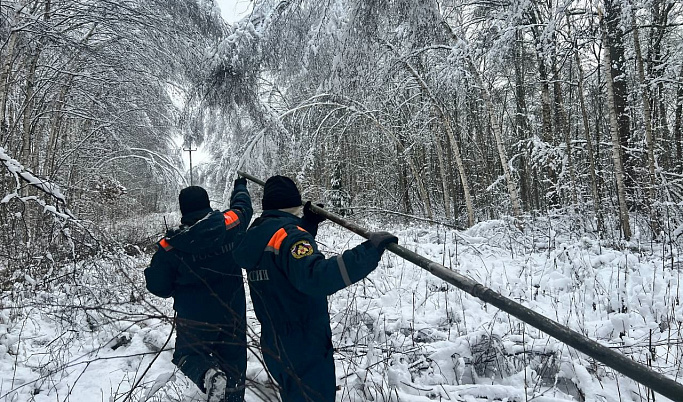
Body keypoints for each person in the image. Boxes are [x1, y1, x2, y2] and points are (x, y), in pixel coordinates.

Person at [233, 175, 397, 402]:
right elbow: (316, 278)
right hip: (304, 344)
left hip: (274, 339)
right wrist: (369, 251)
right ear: (295, 203)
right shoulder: (291, 236)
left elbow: (286, 263)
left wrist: (307, 225)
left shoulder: (258, 235)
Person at [144, 178, 252, 402]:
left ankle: (208, 376)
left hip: (195, 317)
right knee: (234, 362)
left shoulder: (171, 246)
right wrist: (240, 188)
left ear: (183, 210)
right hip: (233, 311)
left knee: (187, 355)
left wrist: (155, 273)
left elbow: (159, 287)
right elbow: (243, 208)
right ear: (208, 204)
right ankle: (232, 397)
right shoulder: (230, 223)